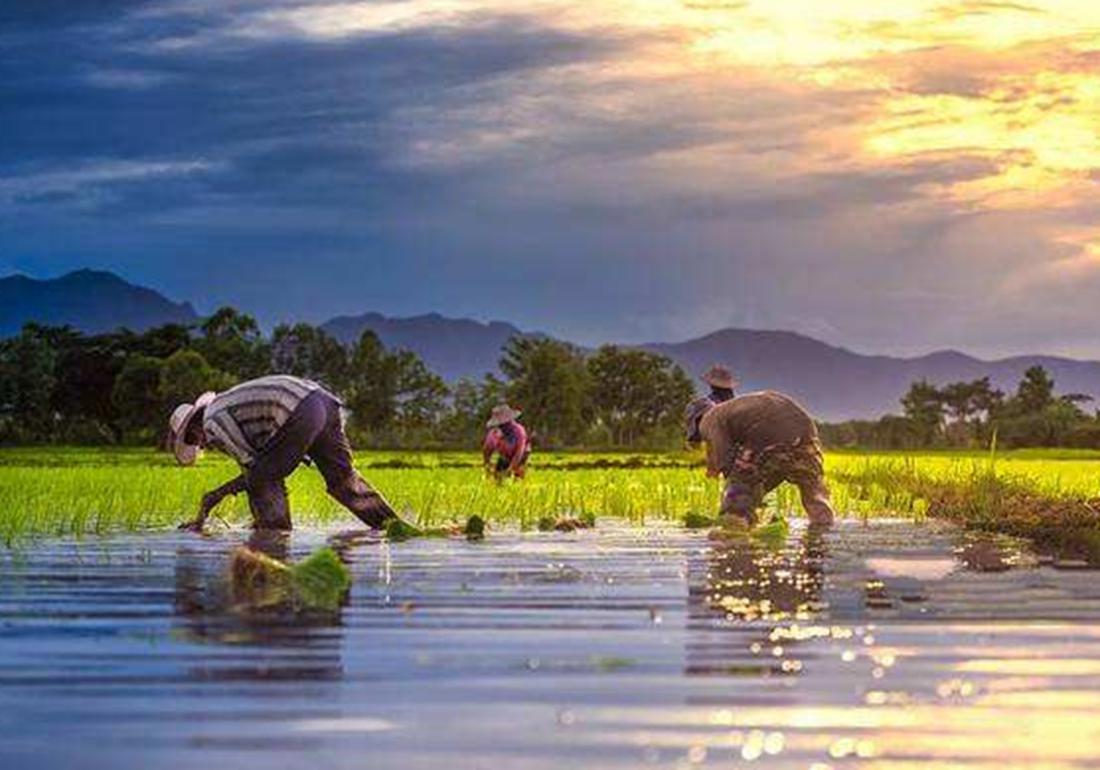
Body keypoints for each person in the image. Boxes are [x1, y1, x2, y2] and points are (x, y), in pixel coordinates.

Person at [170, 374, 398, 532]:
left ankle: (275, 536)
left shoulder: (213, 420)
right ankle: (393, 526)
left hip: (300, 409)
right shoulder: (227, 406)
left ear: (195, 426)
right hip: (323, 402)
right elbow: (262, 465)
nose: (199, 445)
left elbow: (256, 473)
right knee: (343, 481)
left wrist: (211, 500)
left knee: (261, 476)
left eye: (192, 439)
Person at [685, 390, 834, 526]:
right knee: (814, 493)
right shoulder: (731, 410)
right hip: (806, 431)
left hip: (767, 432)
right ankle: (822, 534)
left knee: (736, 501)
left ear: (695, 420)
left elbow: (724, 459)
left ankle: (736, 537)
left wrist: (735, 493)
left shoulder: (710, 417)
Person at [482, 404, 530, 480]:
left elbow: (519, 453)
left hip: (522, 454)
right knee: (498, 476)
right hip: (505, 454)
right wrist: (487, 466)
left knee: (517, 475)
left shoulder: (519, 431)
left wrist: (510, 469)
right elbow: (486, 450)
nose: (503, 426)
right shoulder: (494, 434)